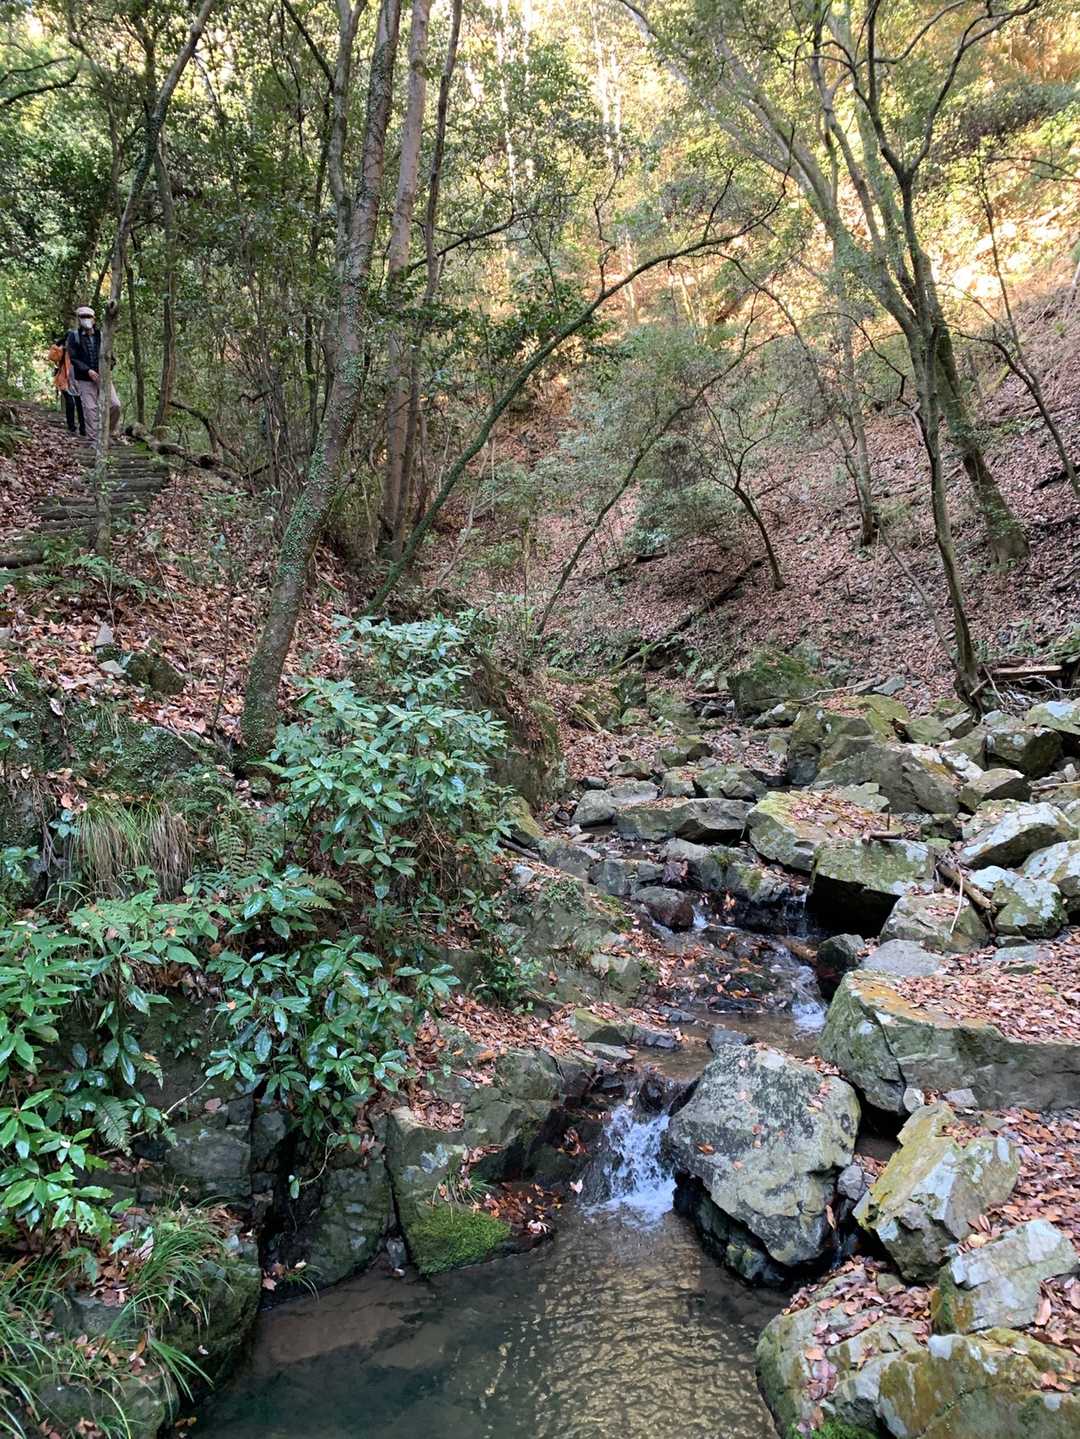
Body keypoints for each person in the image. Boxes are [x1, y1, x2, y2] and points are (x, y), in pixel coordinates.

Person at [66, 305, 121, 443]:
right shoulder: (74, 336)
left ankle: (107, 434)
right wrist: (87, 370)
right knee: (90, 409)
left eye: (88, 316)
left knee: (115, 405)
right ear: (79, 319)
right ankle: (94, 440)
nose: (86, 319)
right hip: (85, 379)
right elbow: (73, 358)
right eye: (83, 317)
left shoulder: (101, 336)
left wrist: (108, 367)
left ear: (94, 319)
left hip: (103, 377)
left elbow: (111, 356)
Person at [48, 331, 85, 435]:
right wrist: (58, 344)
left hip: (78, 382)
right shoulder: (63, 351)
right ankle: (71, 427)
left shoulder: (80, 349)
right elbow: (52, 357)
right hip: (65, 381)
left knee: (80, 405)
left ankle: (83, 429)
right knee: (70, 403)